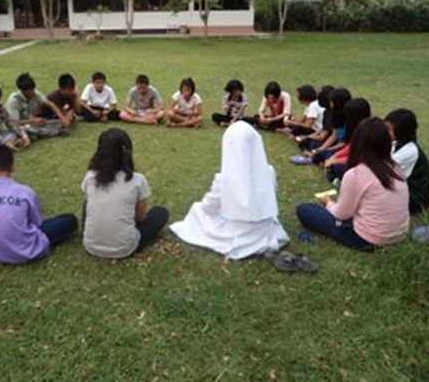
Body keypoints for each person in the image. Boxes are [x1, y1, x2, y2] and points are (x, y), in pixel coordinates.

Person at [170, 122, 289, 260]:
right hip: (264, 229)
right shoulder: (269, 170)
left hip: (236, 231)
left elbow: (209, 207)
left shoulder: (224, 179)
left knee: (197, 209)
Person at [0, 145, 78, 266]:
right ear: (12, 167)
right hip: (30, 251)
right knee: (69, 219)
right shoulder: (26, 192)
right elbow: (36, 223)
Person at [296, 117, 409, 251]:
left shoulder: (356, 173)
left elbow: (341, 214)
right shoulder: (396, 168)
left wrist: (328, 203)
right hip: (399, 235)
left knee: (305, 210)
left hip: (366, 239)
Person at [82, 128, 169, 259]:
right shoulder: (137, 180)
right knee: (161, 212)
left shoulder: (90, 176)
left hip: (90, 246)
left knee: (87, 203)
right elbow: (140, 218)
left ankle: (97, 232)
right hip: (125, 249)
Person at [385, 109, 429, 214]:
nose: (385, 132)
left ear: (401, 132)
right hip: (403, 190)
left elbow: (384, 171)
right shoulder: (397, 143)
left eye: (388, 129)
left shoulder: (409, 151)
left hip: (414, 200)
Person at [323, 98, 371, 181]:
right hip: (351, 157)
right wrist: (335, 155)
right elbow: (350, 146)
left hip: (363, 163)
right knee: (327, 155)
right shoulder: (355, 126)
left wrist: (336, 160)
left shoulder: (369, 130)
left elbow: (360, 157)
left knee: (338, 167)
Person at [5, 73, 63, 140]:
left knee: (52, 122)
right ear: (23, 91)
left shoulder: (34, 92)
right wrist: (32, 121)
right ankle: (56, 132)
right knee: (29, 129)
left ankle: (43, 131)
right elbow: (14, 123)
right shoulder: (14, 101)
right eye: (30, 91)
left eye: (33, 89)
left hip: (30, 122)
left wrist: (62, 118)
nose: (33, 92)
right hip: (17, 127)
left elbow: (48, 103)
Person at [295, 85, 334, 151]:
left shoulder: (314, 106)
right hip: (322, 132)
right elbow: (322, 129)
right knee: (304, 142)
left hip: (328, 137)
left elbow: (322, 136)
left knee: (310, 144)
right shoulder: (326, 111)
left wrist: (306, 137)